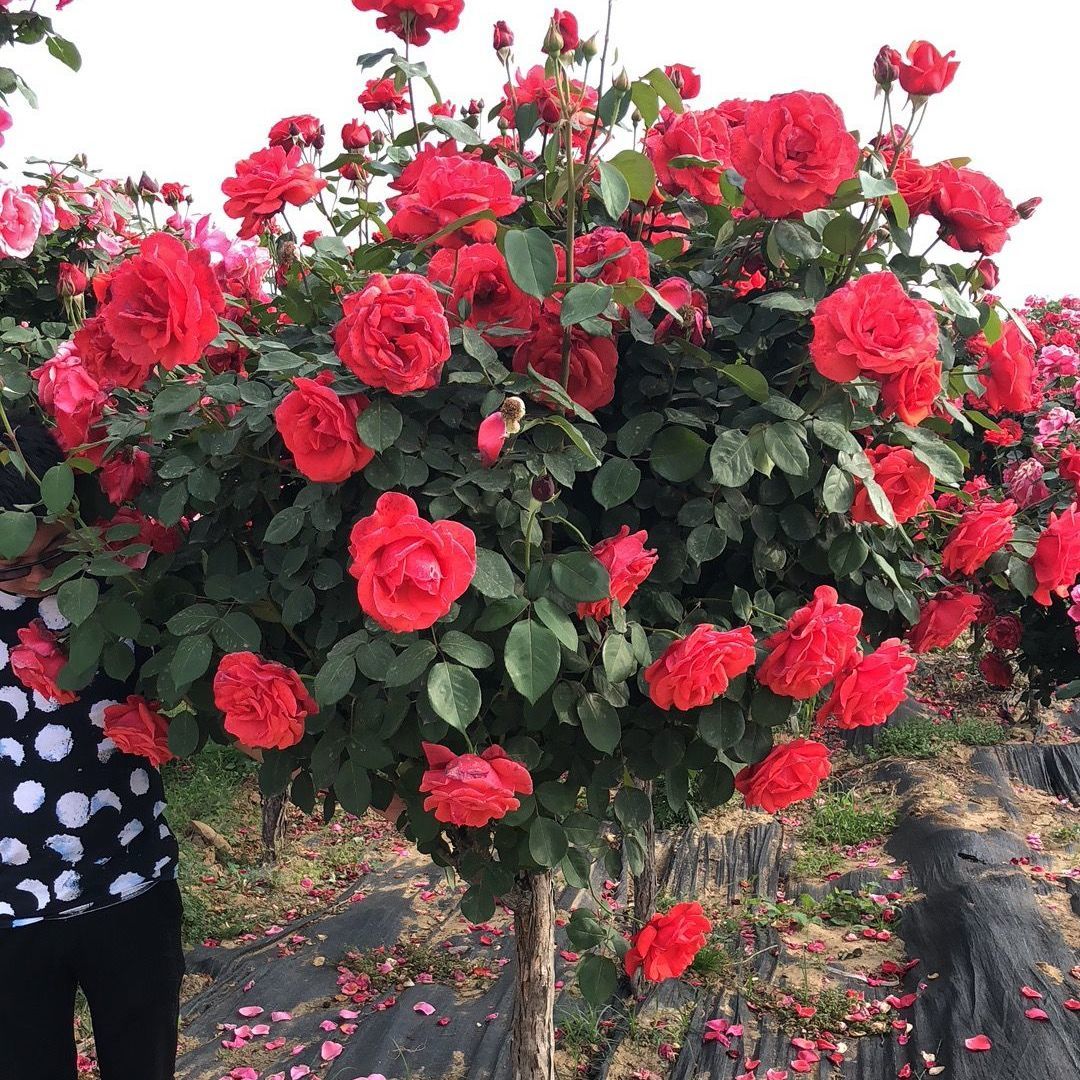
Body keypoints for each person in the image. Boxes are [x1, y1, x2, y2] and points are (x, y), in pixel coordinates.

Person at [0, 413, 184, 1080]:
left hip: (130, 888)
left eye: (51, 554)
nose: (31, 580)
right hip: (8, 914)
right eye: (9, 567)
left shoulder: (124, 583)